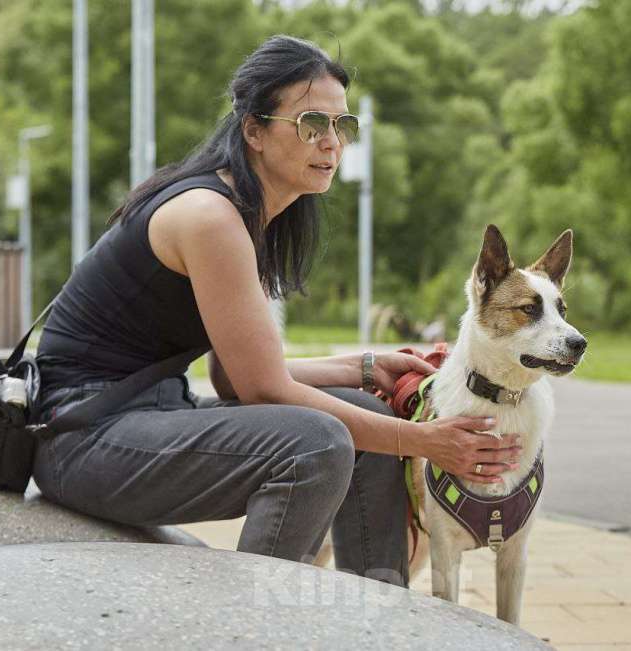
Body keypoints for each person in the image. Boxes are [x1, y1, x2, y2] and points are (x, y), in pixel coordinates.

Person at [31, 34, 522, 587]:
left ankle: (378, 609)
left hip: (148, 418)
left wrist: (365, 367)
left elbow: (233, 376)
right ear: (255, 130)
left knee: (363, 409)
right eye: (313, 123)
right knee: (316, 444)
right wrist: (426, 442)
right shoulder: (210, 216)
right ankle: (254, 627)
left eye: (344, 126)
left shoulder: (247, 213)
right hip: (81, 438)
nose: (332, 143)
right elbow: (263, 391)